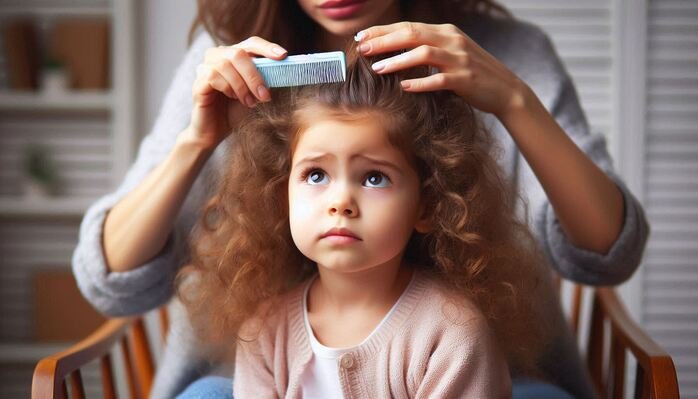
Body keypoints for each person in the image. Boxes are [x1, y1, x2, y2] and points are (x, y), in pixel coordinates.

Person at [72, 1, 649, 398]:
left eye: (373, 178)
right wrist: (197, 141)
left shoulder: (508, 53)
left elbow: (608, 252)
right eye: (315, 176)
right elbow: (113, 279)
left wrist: (515, 101)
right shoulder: (227, 60)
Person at [179, 48, 543, 397]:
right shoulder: (264, 332)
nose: (341, 203)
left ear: (428, 206)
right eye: (316, 175)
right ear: (281, 197)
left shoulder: (452, 335)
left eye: (374, 178)